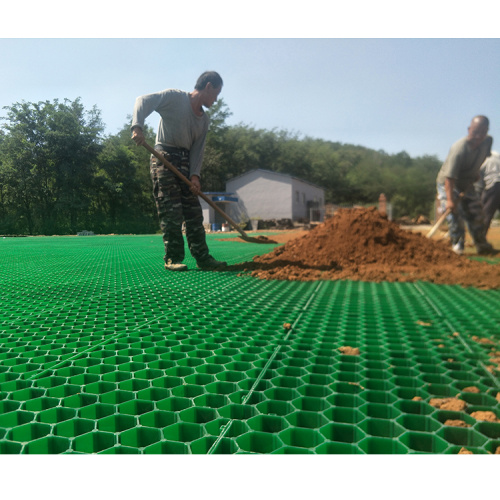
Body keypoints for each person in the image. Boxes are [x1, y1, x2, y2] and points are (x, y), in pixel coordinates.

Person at [131, 71, 227, 271]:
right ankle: (172, 258)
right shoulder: (175, 98)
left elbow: (197, 151)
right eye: (216, 94)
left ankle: (203, 258)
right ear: (208, 87)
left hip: (185, 162)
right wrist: (137, 127)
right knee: (171, 211)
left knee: (194, 212)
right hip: (163, 158)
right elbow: (142, 100)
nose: (216, 100)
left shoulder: (204, 120)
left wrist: (195, 176)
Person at [436, 115, 496, 255]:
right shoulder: (459, 149)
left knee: (477, 213)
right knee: (454, 215)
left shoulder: (488, 141)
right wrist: (450, 201)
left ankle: (482, 245)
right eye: (474, 131)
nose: (478, 136)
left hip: (467, 183)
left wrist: (475, 172)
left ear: (486, 131)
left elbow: (484, 156)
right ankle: (458, 246)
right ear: (469, 129)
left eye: (482, 132)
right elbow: (449, 178)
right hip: (449, 184)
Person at [475, 151, 500, 234]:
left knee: (485, 213)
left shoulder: (481, 160)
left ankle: (480, 239)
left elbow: (479, 185)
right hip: (495, 184)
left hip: (493, 185)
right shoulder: (496, 156)